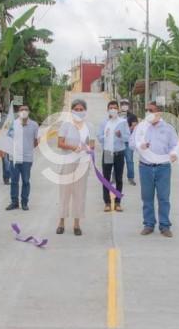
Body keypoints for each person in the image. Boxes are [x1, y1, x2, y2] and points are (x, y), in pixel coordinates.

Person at [134, 101, 179, 238]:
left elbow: (175, 145)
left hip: (163, 168)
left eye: (151, 110)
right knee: (147, 197)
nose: (148, 113)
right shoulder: (141, 127)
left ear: (159, 112)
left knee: (163, 198)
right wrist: (140, 145)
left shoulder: (168, 128)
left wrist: (174, 153)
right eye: (146, 110)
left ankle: (165, 225)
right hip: (145, 167)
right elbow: (132, 142)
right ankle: (148, 224)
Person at [56, 99, 95, 236]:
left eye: (81, 109)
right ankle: (61, 222)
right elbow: (59, 143)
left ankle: (77, 224)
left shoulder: (89, 126)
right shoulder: (66, 125)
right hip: (67, 162)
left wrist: (87, 148)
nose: (79, 111)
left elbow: (92, 145)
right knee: (64, 193)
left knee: (80, 194)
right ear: (72, 111)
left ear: (85, 111)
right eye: (76, 109)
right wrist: (73, 147)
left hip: (82, 163)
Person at [97, 100, 131, 212]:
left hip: (119, 152)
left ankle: (117, 202)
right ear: (107, 110)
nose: (113, 109)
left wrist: (121, 135)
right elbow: (99, 137)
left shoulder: (123, 122)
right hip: (108, 152)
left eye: (115, 108)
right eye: (111, 108)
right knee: (106, 178)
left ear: (118, 109)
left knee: (119, 178)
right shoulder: (103, 122)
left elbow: (128, 138)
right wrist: (105, 136)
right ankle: (107, 202)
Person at [6, 104, 40, 211]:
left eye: (26, 109)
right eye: (21, 109)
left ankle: (24, 202)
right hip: (14, 158)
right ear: (18, 112)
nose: (24, 111)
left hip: (27, 158)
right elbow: (7, 139)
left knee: (26, 181)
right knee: (14, 181)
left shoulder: (34, 125)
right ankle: (14, 202)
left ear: (29, 111)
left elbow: (36, 141)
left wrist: (27, 148)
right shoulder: (13, 124)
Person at [120, 98, 138, 186]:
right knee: (117, 161)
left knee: (129, 160)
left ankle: (131, 178)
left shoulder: (132, 116)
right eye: (122, 104)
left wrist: (125, 131)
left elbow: (134, 127)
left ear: (128, 105)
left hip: (128, 142)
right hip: (118, 142)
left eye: (126, 104)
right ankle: (115, 177)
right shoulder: (117, 115)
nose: (124, 105)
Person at [0, 101, 12, 185]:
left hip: (4, 142)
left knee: (6, 162)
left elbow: (10, 128)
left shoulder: (6, 117)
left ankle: (6, 178)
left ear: (2, 108)